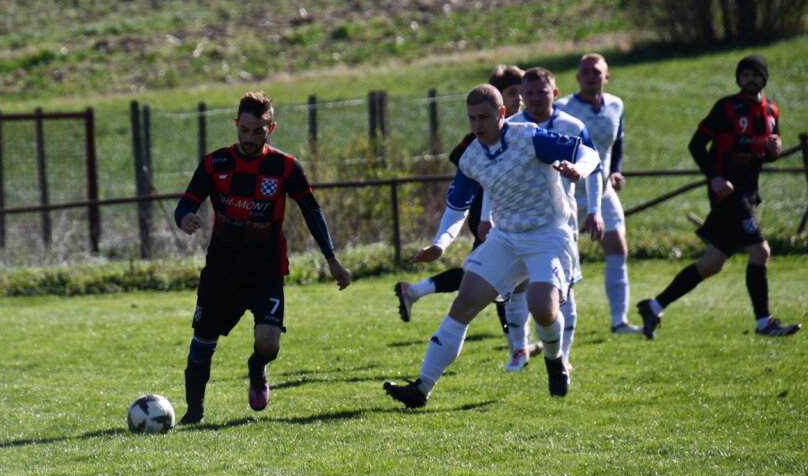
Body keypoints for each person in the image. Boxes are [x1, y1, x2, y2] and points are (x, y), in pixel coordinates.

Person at [383, 83, 602, 407]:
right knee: (463, 303)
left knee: (542, 308)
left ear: (502, 113)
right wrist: (440, 245)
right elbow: (456, 208)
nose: (477, 125)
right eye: (471, 118)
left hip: (547, 235)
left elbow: (589, 153)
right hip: (506, 237)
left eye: (484, 117)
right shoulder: (471, 157)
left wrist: (578, 170)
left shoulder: (529, 137)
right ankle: (421, 389)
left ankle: (555, 359)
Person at [174, 91, 351, 425]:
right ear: (236, 125)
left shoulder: (285, 167)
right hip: (222, 270)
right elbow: (186, 204)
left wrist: (331, 259)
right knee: (203, 341)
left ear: (272, 128)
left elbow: (312, 211)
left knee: (268, 343)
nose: (250, 138)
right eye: (244, 130)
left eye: (259, 131)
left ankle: (257, 368)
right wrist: (184, 218)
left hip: (266, 270)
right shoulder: (215, 164)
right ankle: (194, 413)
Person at [637, 55, 800, 339]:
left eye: (755, 74)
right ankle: (764, 322)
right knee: (760, 251)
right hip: (727, 194)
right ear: (739, 79)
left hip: (748, 193)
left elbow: (765, 151)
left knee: (712, 263)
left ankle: (653, 306)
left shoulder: (772, 110)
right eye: (745, 74)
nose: (750, 79)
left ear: (764, 78)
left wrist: (772, 152)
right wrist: (714, 177)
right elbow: (697, 145)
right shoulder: (727, 108)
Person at [394, 66, 540, 360]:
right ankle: (518, 346)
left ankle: (416, 291)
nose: (521, 98)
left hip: (517, 217)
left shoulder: (526, 131)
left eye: (522, 92)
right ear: (499, 99)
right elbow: (459, 157)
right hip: (487, 215)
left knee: (486, 274)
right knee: (492, 275)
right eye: (514, 92)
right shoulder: (480, 136)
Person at [492, 68, 604, 371]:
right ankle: (519, 350)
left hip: (559, 223)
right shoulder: (510, 127)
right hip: (515, 220)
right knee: (515, 285)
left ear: (554, 93)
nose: (534, 98)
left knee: (563, 289)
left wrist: (595, 210)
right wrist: (486, 215)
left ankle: (562, 357)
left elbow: (594, 165)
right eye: (528, 93)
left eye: (541, 92)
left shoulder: (572, 126)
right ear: (521, 96)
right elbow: (494, 173)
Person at [556, 54, 641, 334]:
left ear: (606, 76)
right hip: (567, 193)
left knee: (618, 249)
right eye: (585, 71)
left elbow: (618, 143)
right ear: (577, 77)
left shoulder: (616, 105)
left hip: (602, 191)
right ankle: (559, 324)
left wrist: (615, 171)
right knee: (561, 259)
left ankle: (619, 321)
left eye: (596, 71)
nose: (590, 76)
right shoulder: (563, 108)